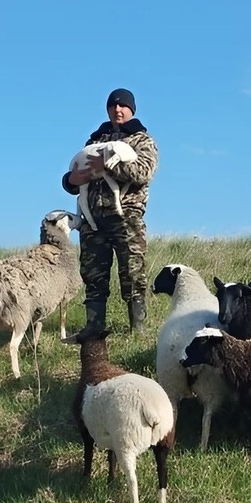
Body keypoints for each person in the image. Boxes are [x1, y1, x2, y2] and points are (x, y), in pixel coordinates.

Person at [62, 88, 158, 333]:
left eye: (123, 105)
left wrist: (108, 165)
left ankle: (137, 330)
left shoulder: (142, 140)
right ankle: (94, 328)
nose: (118, 109)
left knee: (133, 272)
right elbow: (78, 174)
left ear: (131, 109)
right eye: (113, 106)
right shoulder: (94, 141)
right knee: (93, 275)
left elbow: (143, 173)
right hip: (93, 220)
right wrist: (71, 181)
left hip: (126, 216)